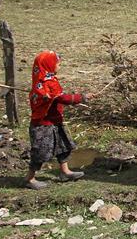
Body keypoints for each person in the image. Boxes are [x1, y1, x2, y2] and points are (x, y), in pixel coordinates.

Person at [25, 51, 91, 190]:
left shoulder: (46, 79)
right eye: (58, 64)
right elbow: (62, 98)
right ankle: (30, 179)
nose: (59, 67)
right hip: (43, 125)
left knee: (63, 146)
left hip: (55, 121)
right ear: (48, 65)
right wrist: (81, 98)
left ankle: (65, 172)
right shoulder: (45, 83)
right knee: (41, 152)